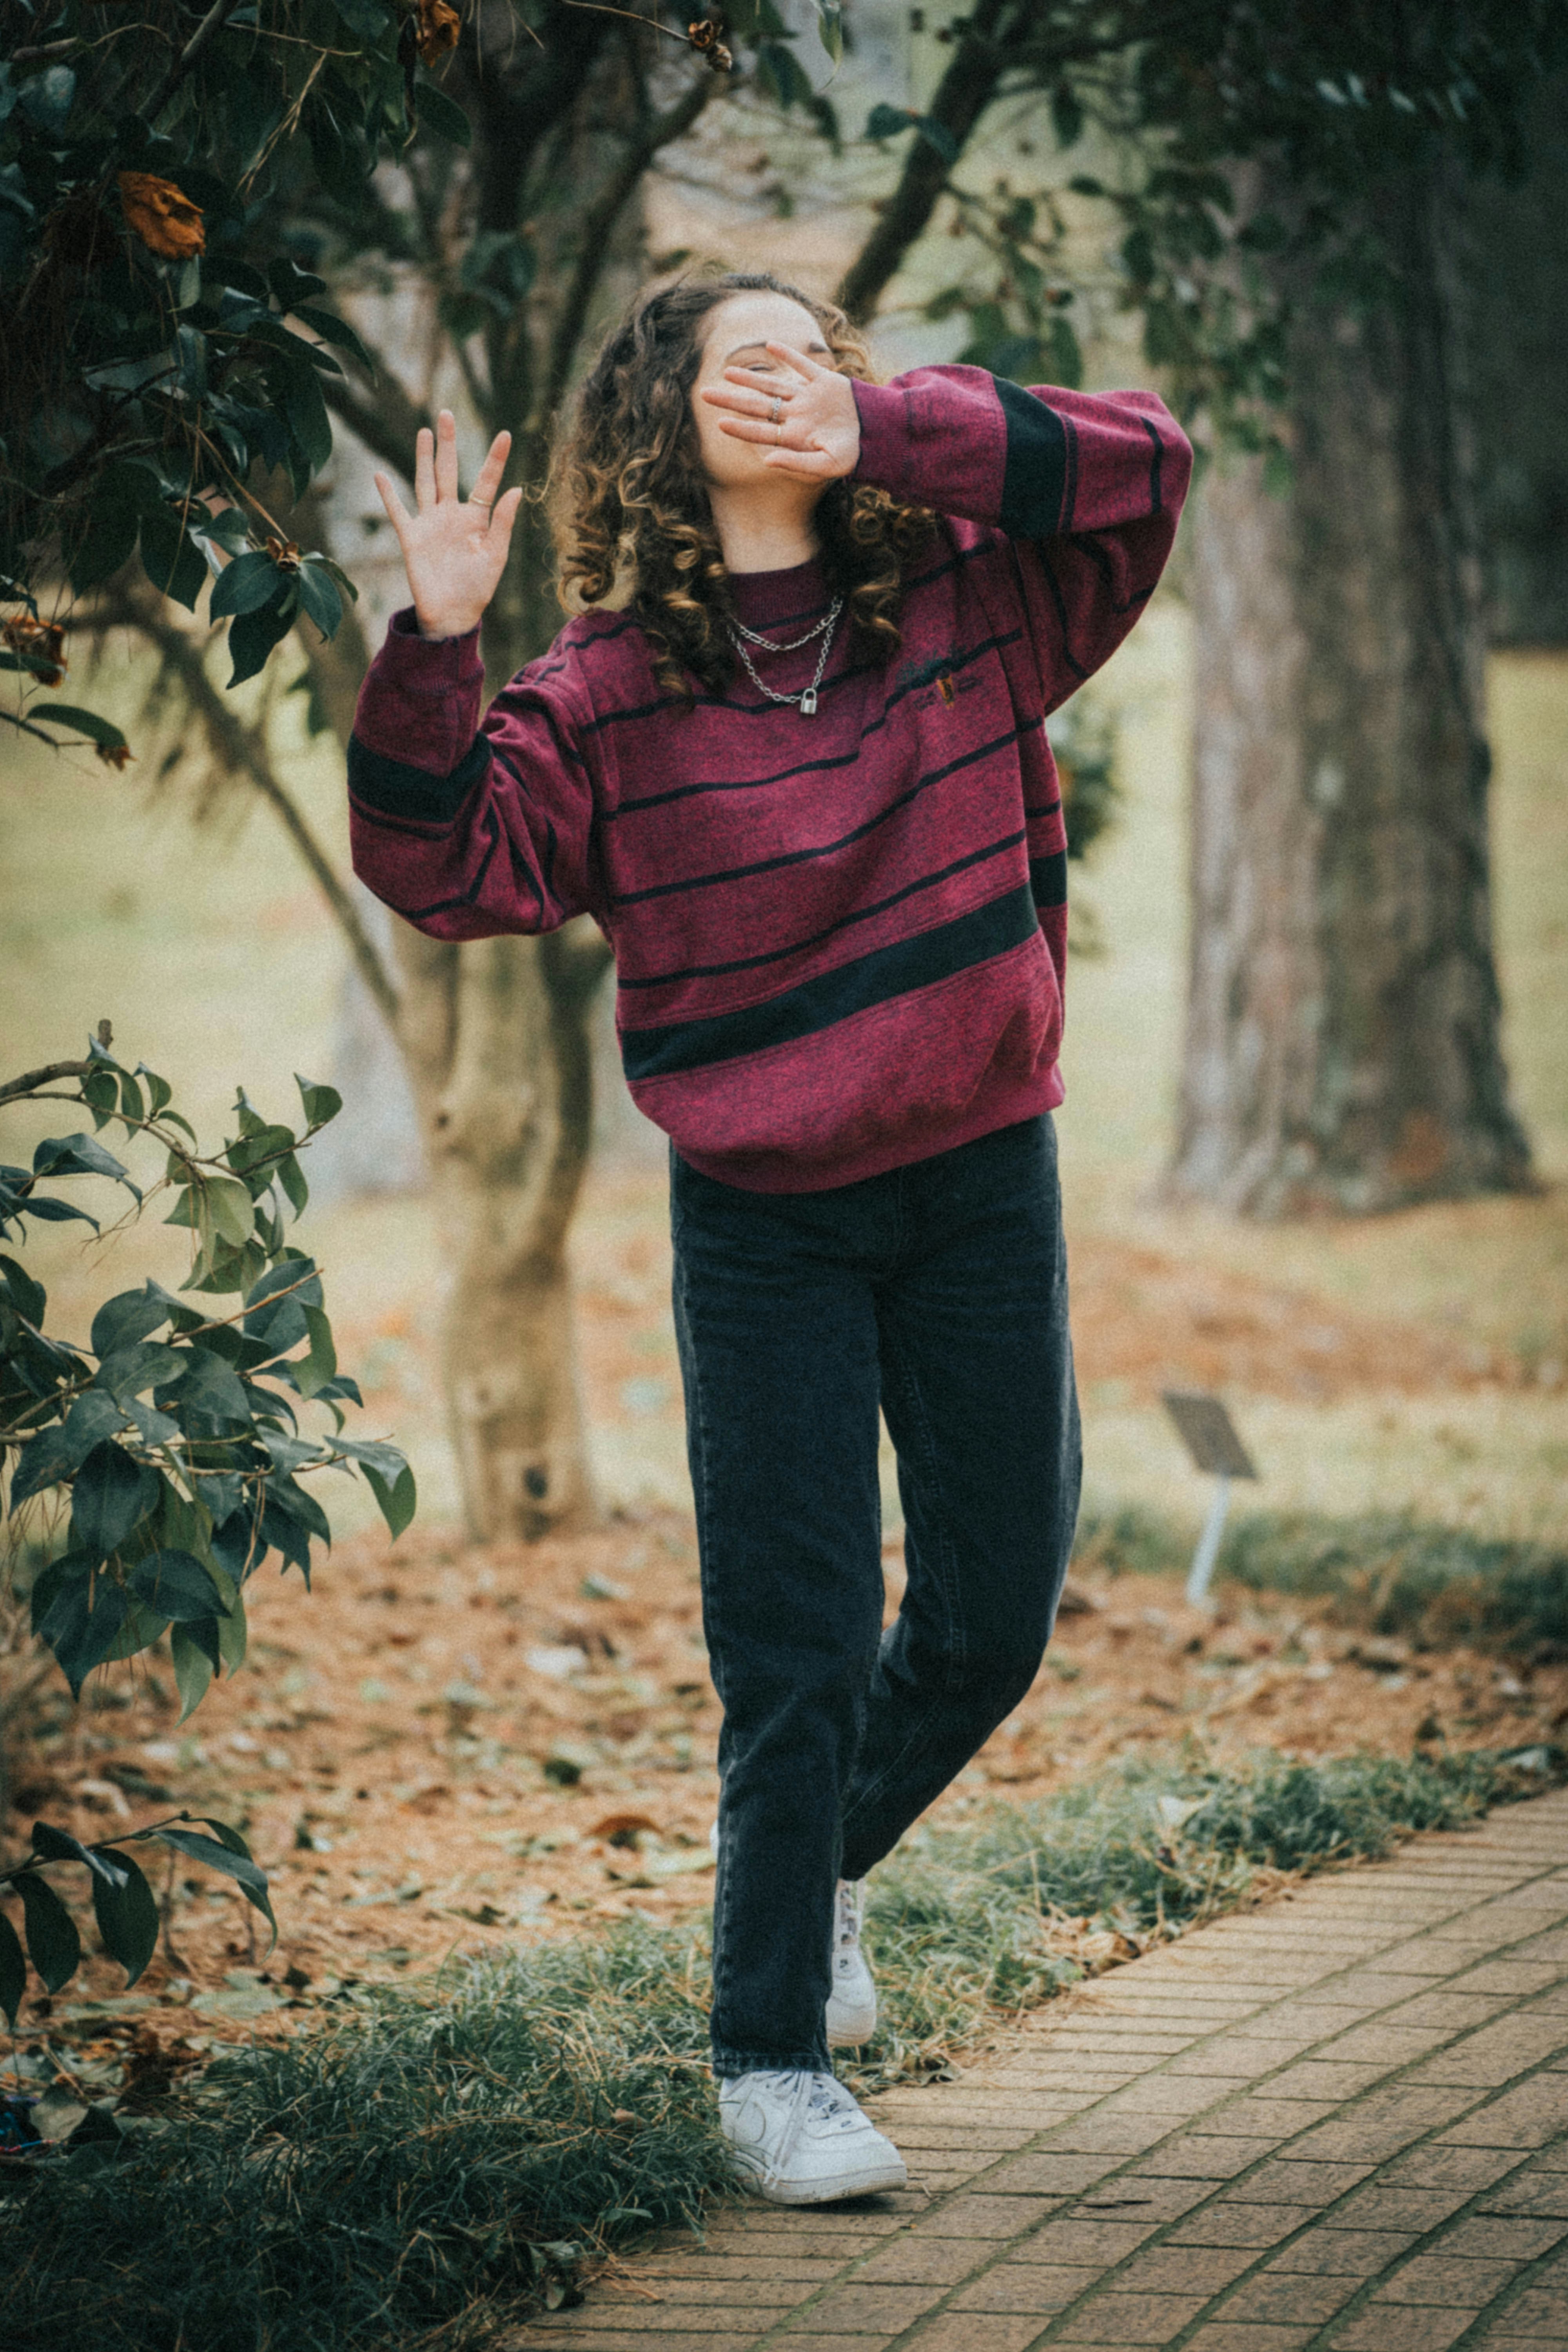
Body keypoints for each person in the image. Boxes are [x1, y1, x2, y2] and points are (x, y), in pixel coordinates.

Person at [348, 270, 1191, 2206]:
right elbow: (448, 864)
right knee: (796, 1651)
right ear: (668, 412)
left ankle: (815, 1882)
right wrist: (441, 647)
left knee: (991, 1611)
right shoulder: (611, 688)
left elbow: (1147, 469)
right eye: (743, 353)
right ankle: (766, 2062)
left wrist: (894, 429)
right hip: (763, 1222)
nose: (787, 372)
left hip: (984, 1172)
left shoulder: (973, 597)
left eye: (816, 347)